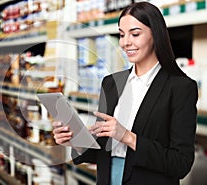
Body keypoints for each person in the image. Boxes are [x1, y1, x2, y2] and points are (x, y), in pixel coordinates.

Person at [52, 2, 198, 185]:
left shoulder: (180, 87)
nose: (125, 42)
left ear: (155, 34)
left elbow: (181, 164)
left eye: (135, 34)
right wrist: (75, 140)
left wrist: (128, 137)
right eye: (121, 35)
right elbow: (103, 151)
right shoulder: (111, 84)